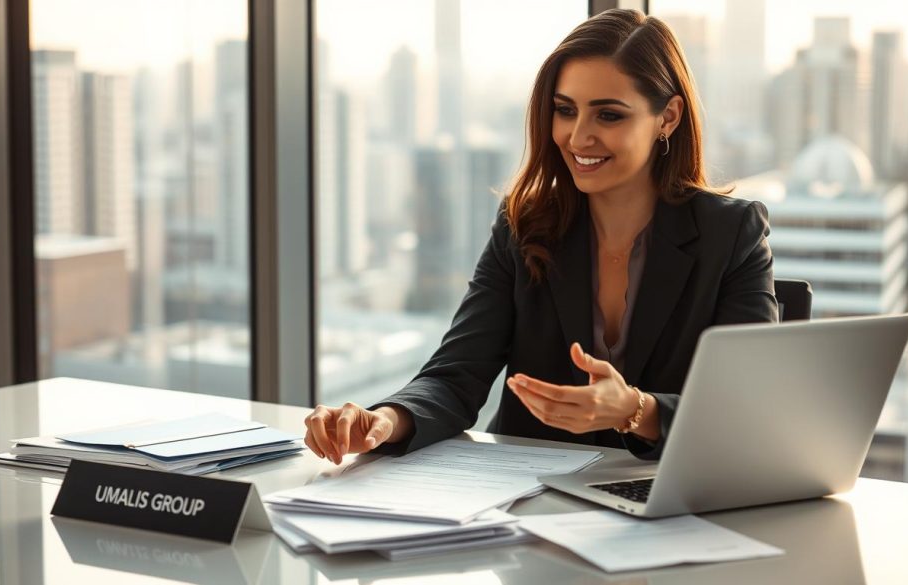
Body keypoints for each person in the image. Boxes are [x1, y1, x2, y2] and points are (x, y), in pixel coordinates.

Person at [304, 8, 778, 465]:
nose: (577, 137)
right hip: (529, 499)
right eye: (565, 110)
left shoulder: (731, 234)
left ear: (668, 118)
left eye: (608, 115)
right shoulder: (524, 225)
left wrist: (635, 411)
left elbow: (750, 409)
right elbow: (456, 375)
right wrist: (384, 420)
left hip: (665, 498)